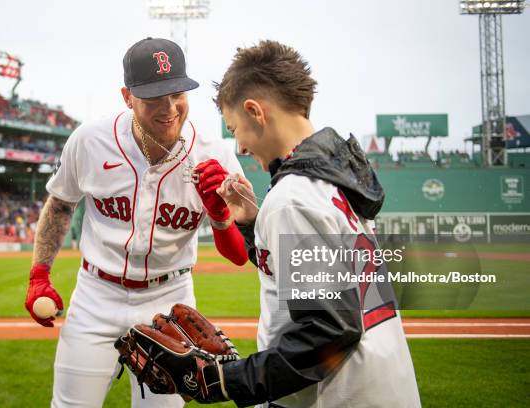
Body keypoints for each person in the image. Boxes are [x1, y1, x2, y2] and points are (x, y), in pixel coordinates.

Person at [24, 37, 247, 407]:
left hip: (169, 301)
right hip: (96, 295)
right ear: (127, 97)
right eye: (154, 97)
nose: (169, 107)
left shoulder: (214, 154)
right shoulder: (90, 140)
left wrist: (221, 216)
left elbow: (240, 255)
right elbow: (61, 204)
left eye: (177, 93)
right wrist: (39, 275)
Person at [208, 40, 421, 407]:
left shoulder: (292, 197)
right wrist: (251, 224)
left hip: (341, 395)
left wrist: (229, 381)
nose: (240, 147)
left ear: (255, 111)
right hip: (385, 379)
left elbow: (327, 331)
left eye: (234, 128)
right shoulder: (334, 176)